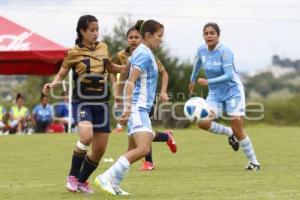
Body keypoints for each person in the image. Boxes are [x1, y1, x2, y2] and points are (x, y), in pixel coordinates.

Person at [43, 15, 128, 194]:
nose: (96, 33)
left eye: (97, 29)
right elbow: (61, 74)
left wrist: (123, 68)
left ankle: (81, 181)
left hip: (102, 103)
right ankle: (72, 177)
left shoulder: (104, 47)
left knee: (99, 150)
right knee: (86, 136)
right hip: (82, 102)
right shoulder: (74, 52)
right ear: (82, 31)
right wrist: (53, 84)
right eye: (92, 30)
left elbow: (110, 66)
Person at [95, 19, 164, 196]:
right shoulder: (144, 54)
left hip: (140, 108)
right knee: (144, 149)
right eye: (159, 36)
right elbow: (129, 82)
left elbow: (124, 71)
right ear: (148, 36)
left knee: (132, 150)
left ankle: (115, 184)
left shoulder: (141, 52)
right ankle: (106, 177)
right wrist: (127, 109)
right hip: (138, 108)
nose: (161, 40)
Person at [188, 22, 260, 171]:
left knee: (237, 127)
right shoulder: (201, 50)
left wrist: (208, 81)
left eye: (212, 33)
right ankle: (229, 133)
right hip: (215, 94)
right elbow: (198, 63)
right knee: (202, 122)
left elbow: (228, 75)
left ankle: (254, 162)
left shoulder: (225, 51)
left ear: (218, 35)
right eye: (206, 33)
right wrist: (192, 79)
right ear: (203, 36)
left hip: (233, 92)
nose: (209, 36)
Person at [112, 27, 177, 171]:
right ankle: (166, 137)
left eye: (137, 37)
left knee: (142, 138)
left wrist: (163, 91)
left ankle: (148, 162)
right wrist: (118, 91)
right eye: (131, 37)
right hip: (133, 100)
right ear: (127, 39)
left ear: (142, 38)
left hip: (144, 101)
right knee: (141, 136)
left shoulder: (148, 55)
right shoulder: (123, 55)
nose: (134, 40)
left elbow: (164, 73)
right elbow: (122, 72)